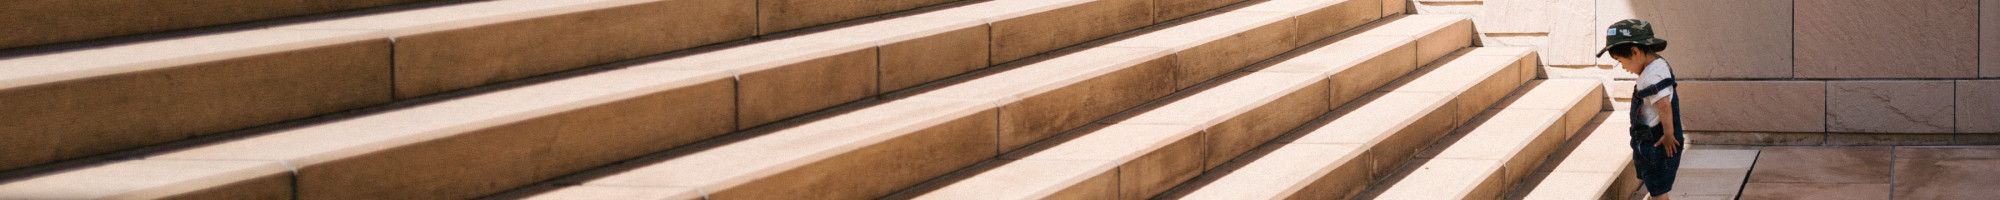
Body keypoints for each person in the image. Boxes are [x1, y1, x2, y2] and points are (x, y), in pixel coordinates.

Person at [1597, 19, 1683, 200]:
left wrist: (1668, 134)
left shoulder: (1651, 77)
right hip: (1651, 137)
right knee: (1656, 186)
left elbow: (1664, 105)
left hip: (1656, 140)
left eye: (1621, 61)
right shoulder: (1658, 64)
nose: (1623, 67)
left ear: (1635, 52)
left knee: (1658, 189)